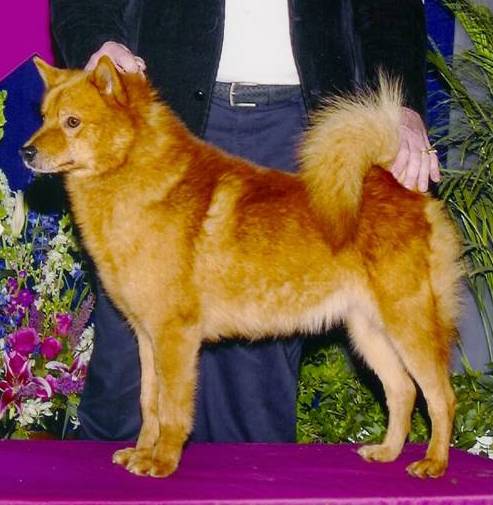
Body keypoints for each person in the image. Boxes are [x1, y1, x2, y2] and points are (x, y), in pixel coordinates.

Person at [49, 0, 439, 442]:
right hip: (162, 114)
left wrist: (403, 107)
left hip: (301, 127)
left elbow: (391, 11)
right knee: (128, 366)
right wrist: (98, 40)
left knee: (255, 384)